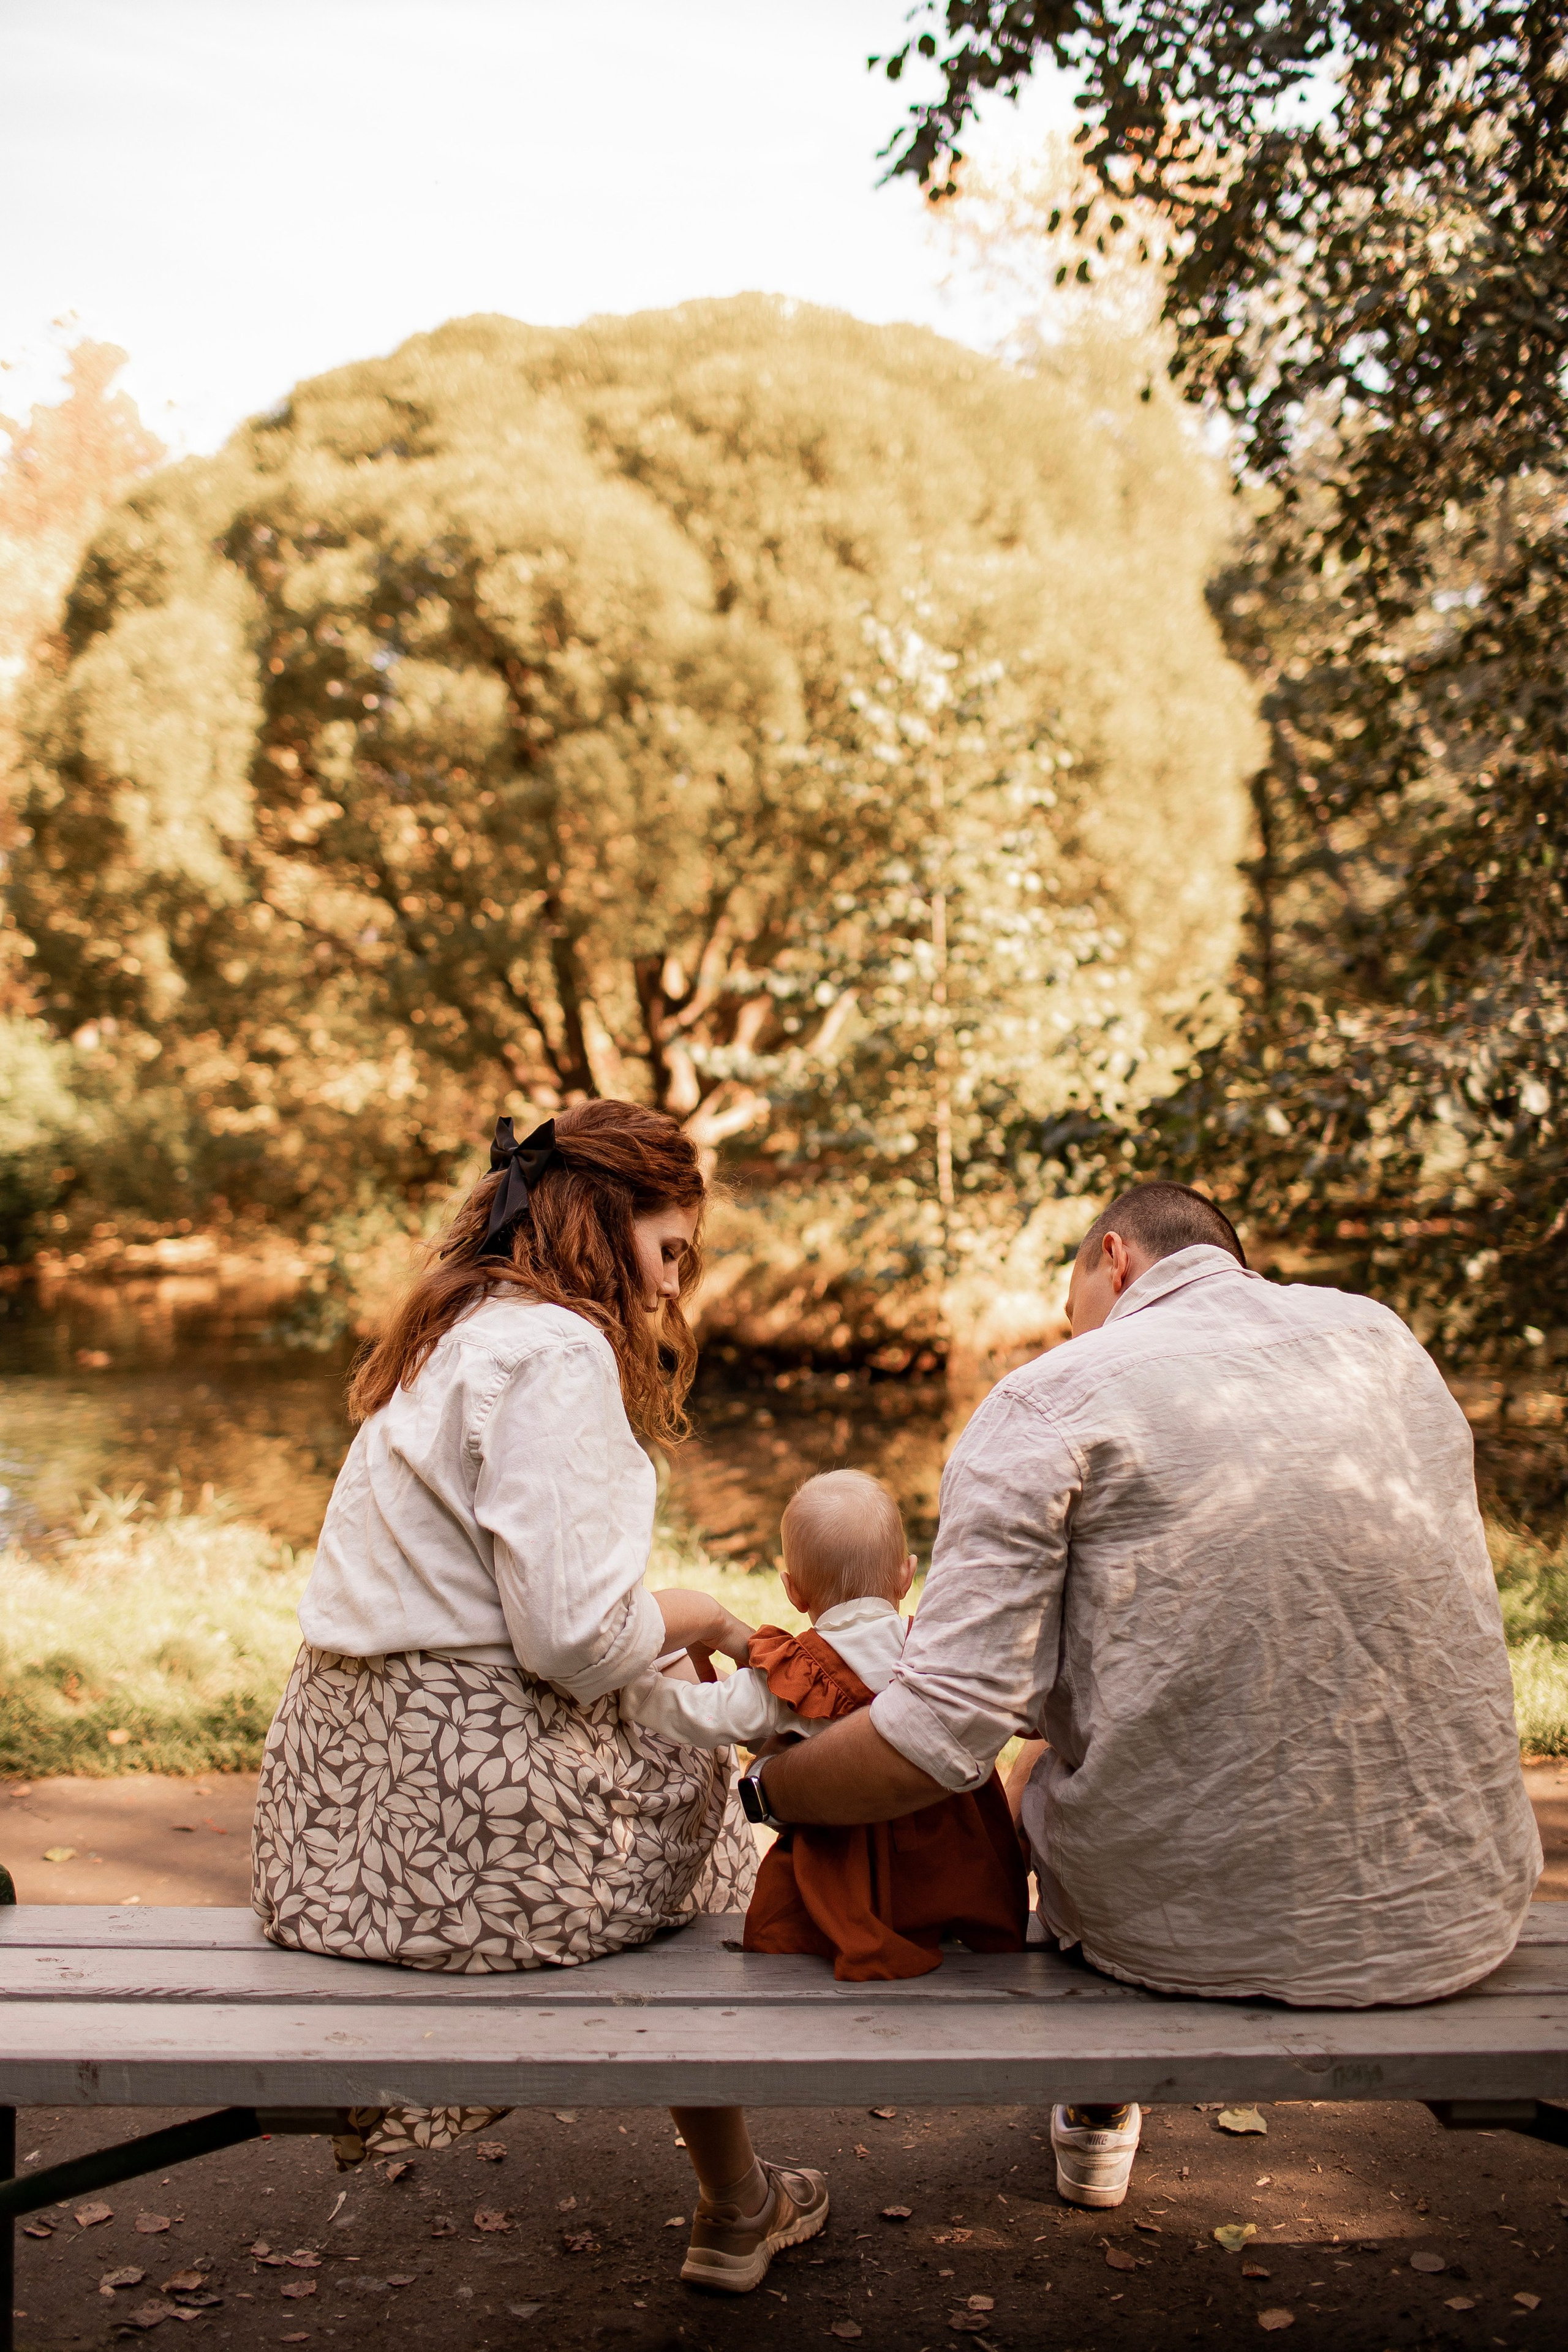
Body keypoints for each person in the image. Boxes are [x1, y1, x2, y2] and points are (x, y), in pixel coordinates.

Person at [742, 1181, 1542, 2211]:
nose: (1064, 1327)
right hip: (1459, 1910)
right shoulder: (1382, 1341)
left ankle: (1100, 2100)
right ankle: (1099, 2101)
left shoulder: (1052, 1396)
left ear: (1113, 1261)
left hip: (1182, 1937)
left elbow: (940, 1737)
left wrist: (772, 1791)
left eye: (1068, 1298)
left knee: (1041, 1762)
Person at [251, 1101, 827, 2293]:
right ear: (610, 1221)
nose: (674, 1293)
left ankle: (737, 2201)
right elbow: (573, 1639)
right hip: (469, 1860)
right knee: (707, 1802)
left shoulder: (457, 1329)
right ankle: (734, 2201)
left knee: (658, 1726)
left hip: (331, 1844)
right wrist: (707, 1617)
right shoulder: (557, 1353)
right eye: (672, 1253)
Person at [626, 1468, 1029, 1979]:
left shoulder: (797, 1672)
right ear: (907, 1576)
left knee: (797, 1918)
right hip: (955, 1859)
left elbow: (704, 1715)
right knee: (960, 1883)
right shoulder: (935, 1653)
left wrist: (638, 1690)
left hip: (848, 1870)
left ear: (793, 1591)